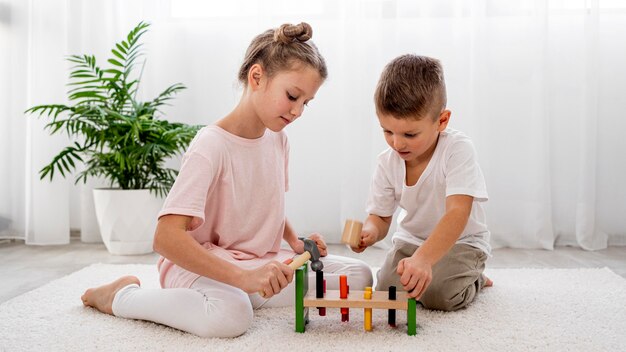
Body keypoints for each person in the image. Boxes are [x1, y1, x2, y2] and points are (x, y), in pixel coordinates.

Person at [81, 22, 372, 338]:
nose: (298, 111)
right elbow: (165, 238)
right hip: (201, 264)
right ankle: (122, 297)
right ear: (257, 77)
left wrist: (293, 240)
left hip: (256, 261)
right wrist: (243, 279)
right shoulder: (211, 146)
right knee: (230, 318)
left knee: (359, 276)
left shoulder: (278, 140)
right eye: (292, 96)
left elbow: (264, 204)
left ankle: (248, 292)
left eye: (306, 103)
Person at [351, 54, 492, 312]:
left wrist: (426, 259)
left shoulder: (457, 150)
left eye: (409, 134)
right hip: (412, 241)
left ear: (441, 121)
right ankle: (444, 272)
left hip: (461, 242)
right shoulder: (387, 162)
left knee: (440, 294)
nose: (397, 143)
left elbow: (458, 213)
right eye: (387, 131)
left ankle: (474, 277)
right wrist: (370, 232)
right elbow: (380, 218)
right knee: (387, 291)